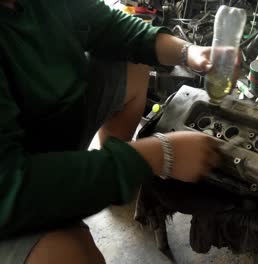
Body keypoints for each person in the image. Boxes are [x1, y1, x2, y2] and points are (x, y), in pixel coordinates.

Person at [0, 0, 221, 263]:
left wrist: (188, 52)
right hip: (11, 189)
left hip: (46, 126)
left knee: (133, 62)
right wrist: (153, 156)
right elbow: (9, 188)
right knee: (72, 256)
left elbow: (107, 25)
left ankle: (104, 180)